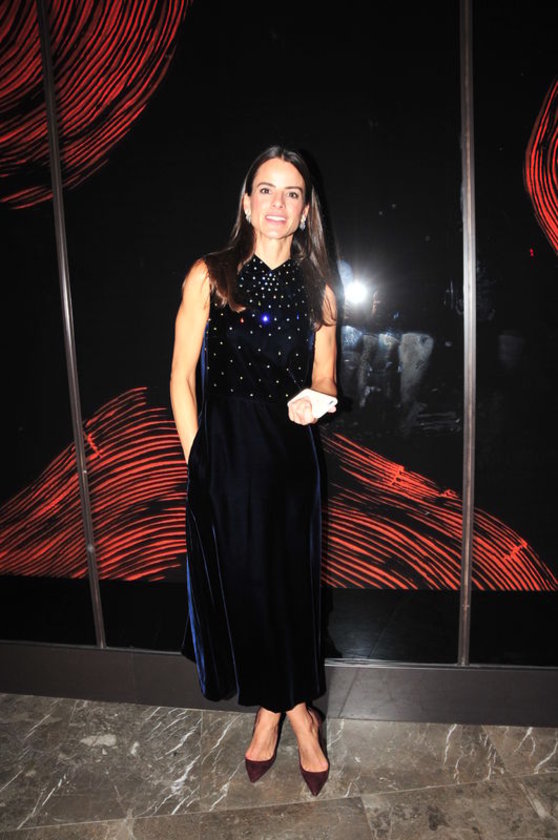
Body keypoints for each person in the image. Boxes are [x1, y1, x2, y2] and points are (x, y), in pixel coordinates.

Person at [170, 145, 337, 796]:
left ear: (305, 211)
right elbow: (181, 380)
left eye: (292, 193)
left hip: (291, 463)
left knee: (288, 595)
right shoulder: (209, 275)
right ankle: (298, 714)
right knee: (246, 595)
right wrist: (200, 463)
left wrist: (317, 397)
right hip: (226, 463)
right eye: (266, 189)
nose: (277, 203)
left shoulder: (319, 287)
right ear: (245, 202)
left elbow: (327, 375)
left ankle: (275, 716)